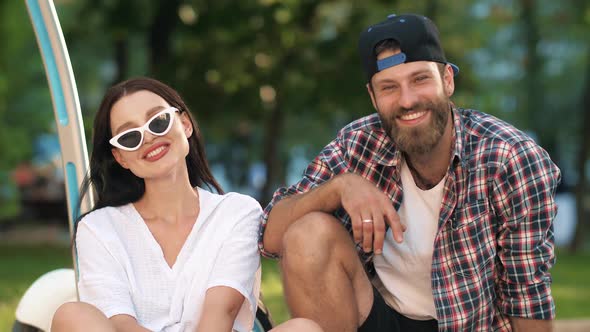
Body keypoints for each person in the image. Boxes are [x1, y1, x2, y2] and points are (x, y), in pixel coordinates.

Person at [259, 13, 560, 332]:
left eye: (420, 79)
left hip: (469, 325)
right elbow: (271, 236)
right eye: (389, 87)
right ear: (373, 98)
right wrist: (338, 188)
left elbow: (527, 295)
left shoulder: (510, 158)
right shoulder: (358, 143)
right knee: (309, 232)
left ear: (447, 80)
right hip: (379, 317)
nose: (407, 100)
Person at [51, 77, 322, 332]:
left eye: (158, 122)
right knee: (72, 316)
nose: (148, 138)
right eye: (130, 137)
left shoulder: (237, 212)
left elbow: (220, 316)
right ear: (121, 157)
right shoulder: (98, 228)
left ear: (185, 125)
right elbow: (121, 325)